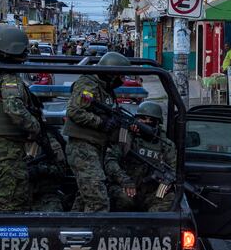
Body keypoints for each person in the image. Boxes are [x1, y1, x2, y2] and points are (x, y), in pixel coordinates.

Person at [0, 28, 41, 212]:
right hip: (6, 149)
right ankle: (7, 237)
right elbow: (14, 110)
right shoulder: (9, 79)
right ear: (16, 50)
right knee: (12, 202)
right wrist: (35, 127)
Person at [63, 51, 129, 212]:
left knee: (85, 198)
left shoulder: (105, 89)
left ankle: (72, 228)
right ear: (111, 74)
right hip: (82, 147)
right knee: (98, 201)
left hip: (94, 147)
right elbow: (74, 111)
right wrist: (101, 123)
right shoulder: (89, 84)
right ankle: (95, 236)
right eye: (120, 75)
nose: (122, 80)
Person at [105, 101, 177, 212]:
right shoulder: (127, 137)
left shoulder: (166, 145)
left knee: (171, 198)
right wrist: (124, 180)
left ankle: (151, 226)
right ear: (137, 119)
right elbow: (110, 160)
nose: (146, 122)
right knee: (123, 199)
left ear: (158, 123)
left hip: (150, 193)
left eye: (151, 120)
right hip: (126, 187)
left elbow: (173, 170)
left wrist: (166, 183)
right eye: (143, 118)